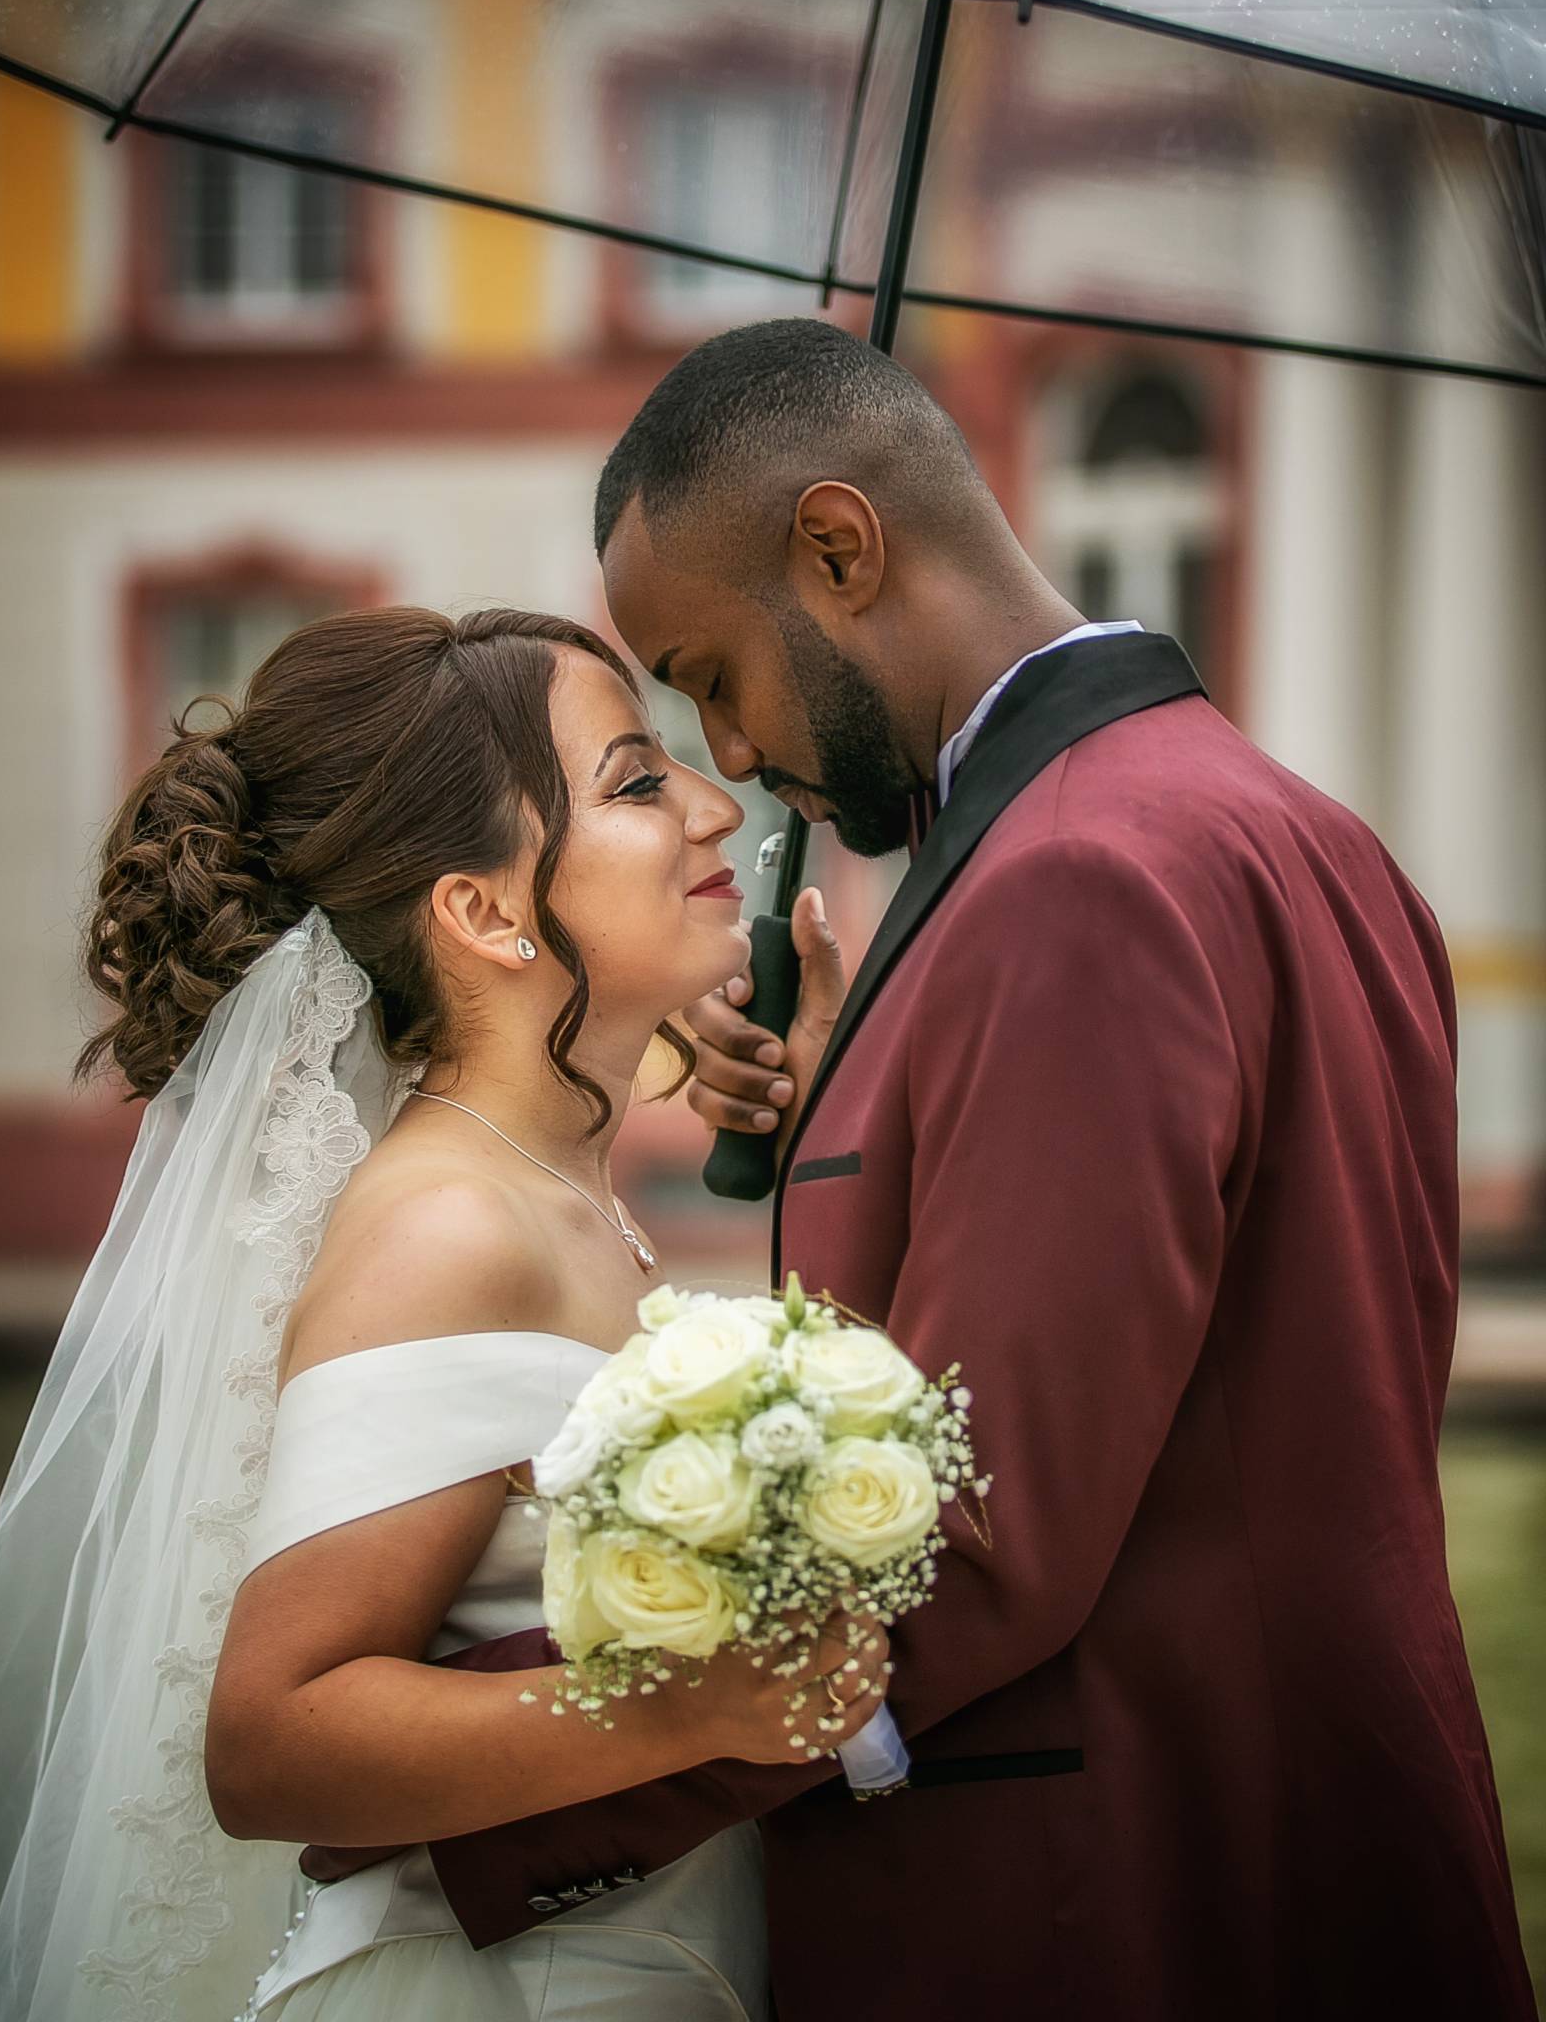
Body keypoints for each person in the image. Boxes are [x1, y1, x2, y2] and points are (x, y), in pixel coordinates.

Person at [351, 320, 1534, 2021]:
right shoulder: (1295, 830)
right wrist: (866, 1099)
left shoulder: (1073, 882)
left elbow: (972, 1532)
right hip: (1318, 1818)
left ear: (838, 549)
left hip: (1128, 1895)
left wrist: (466, 1768)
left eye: (710, 676)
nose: (732, 759)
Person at [0, 602, 888, 2022]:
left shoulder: (557, 1200)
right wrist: (696, 1707)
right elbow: (274, 1743)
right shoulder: (448, 1225)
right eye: (637, 782)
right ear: (485, 912)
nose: (713, 807)